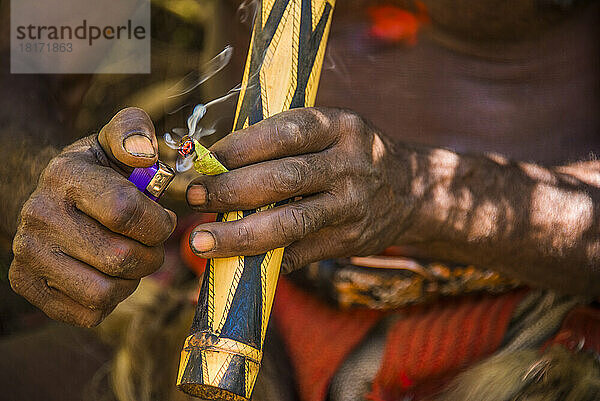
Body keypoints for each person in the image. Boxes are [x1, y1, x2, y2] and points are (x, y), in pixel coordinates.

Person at [2, 0, 599, 400]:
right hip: (209, 281)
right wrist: (56, 192)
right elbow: (32, 53)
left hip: (540, 307)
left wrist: (420, 194)